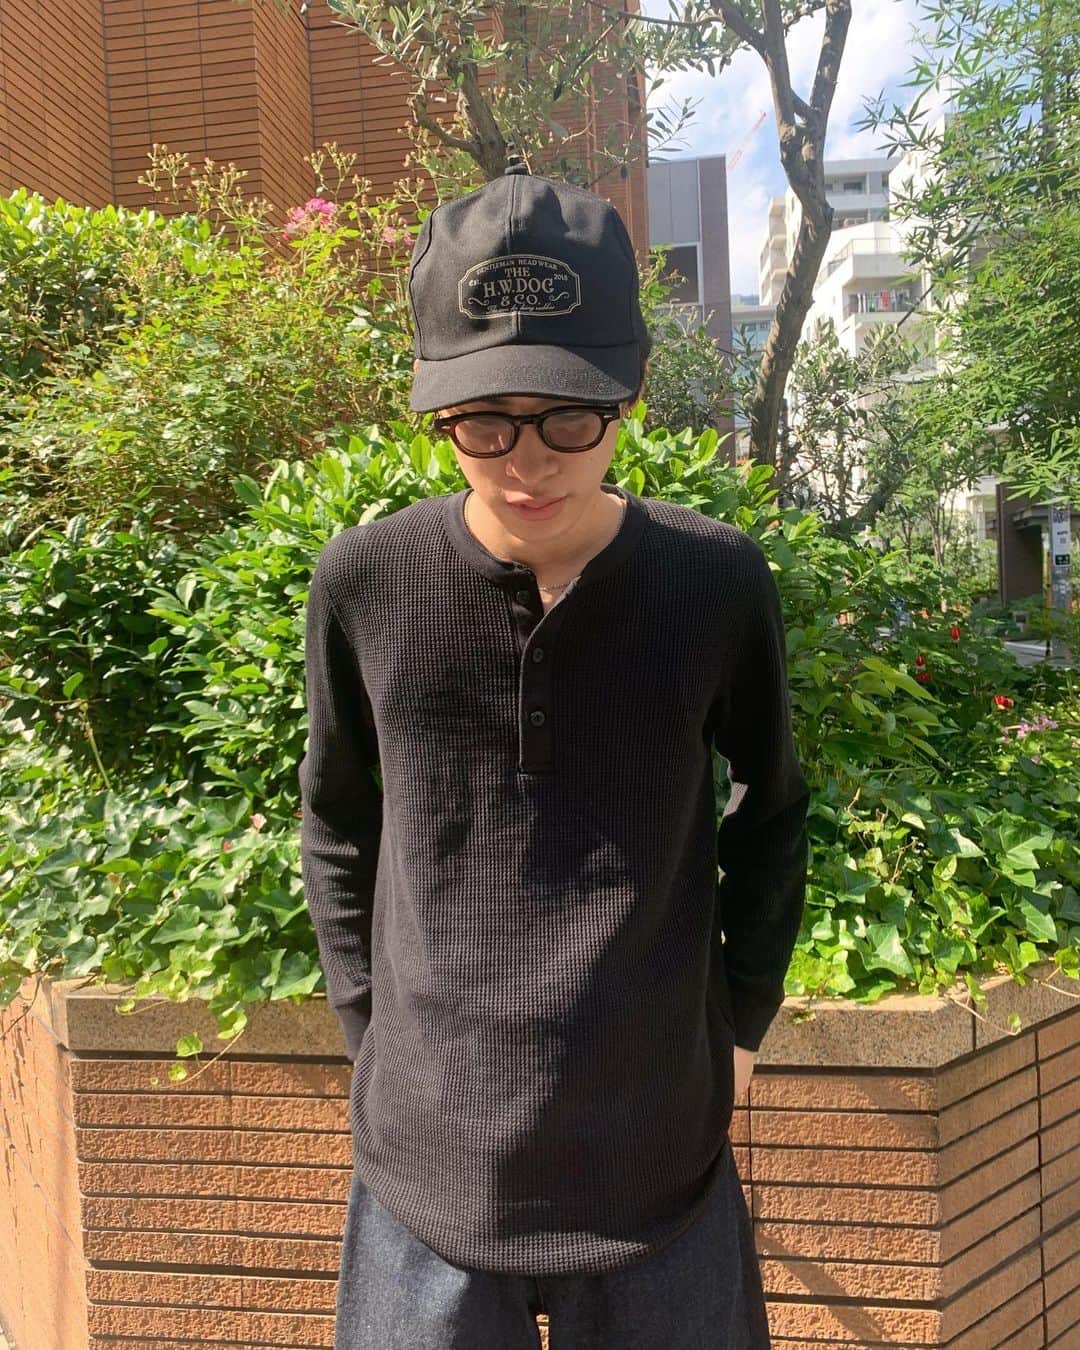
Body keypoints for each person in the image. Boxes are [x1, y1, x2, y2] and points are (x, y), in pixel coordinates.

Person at [299, 162, 811, 1349]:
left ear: (628, 394)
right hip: (424, 1171)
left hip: (659, 1159)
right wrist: (368, 1035)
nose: (526, 463)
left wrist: (742, 1026)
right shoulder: (365, 581)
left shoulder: (714, 580)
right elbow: (336, 819)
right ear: (437, 406)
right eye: (484, 422)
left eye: (569, 418)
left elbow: (771, 810)